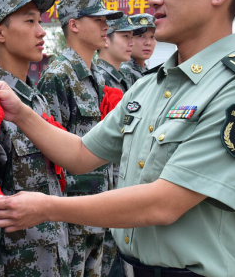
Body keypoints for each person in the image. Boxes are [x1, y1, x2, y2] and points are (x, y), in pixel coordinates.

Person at [0, 0, 235, 277]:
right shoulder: (149, 87)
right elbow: (82, 154)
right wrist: (20, 112)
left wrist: (48, 208)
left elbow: (164, 203)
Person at [0, 0, 69, 276]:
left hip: (55, 256)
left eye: (40, 21)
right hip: (18, 265)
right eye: (29, 21)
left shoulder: (35, 99)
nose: (42, 32)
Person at [36, 0, 122, 277]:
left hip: (101, 207)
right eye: (97, 20)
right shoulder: (58, 76)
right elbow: (52, 150)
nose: (105, 27)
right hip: (73, 213)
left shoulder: (97, 76)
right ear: (73, 25)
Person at [95, 14, 146, 276]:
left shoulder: (128, 80)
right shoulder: (96, 79)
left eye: (133, 37)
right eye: (126, 36)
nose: (134, 42)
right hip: (93, 192)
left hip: (117, 186)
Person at [97, 15, 147, 93]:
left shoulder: (123, 78)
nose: (132, 43)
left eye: (131, 37)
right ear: (106, 40)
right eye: (126, 36)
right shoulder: (99, 79)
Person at [120, 14, 157, 85]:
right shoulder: (124, 71)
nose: (148, 43)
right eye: (141, 36)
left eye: (152, 36)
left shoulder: (145, 69)